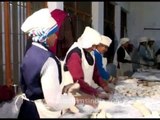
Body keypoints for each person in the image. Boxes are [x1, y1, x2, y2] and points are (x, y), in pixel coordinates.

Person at [18, 8, 98, 119]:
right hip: (40, 113)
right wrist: (81, 99)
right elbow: (54, 101)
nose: (56, 37)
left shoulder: (31, 51)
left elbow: (36, 84)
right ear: (44, 36)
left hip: (27, 109)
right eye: (53, 33)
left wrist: (64, 88)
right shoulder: (48, 60)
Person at [63, 26, 112, 100]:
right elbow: (77, 80)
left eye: (95, 46)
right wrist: (95, 92)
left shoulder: (90, 53)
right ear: (87, 42)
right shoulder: (75, 53)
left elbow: (95, 73)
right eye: (93, 45)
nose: (94, 48)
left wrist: (104, 85)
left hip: (85, 92)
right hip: (72, 95)